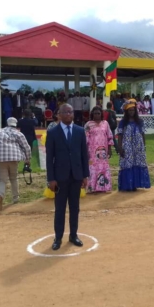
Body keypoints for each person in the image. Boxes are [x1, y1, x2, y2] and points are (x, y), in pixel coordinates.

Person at [46, 103, 90, 250]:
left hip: (76, 176)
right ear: (59, 115)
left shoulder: (79, 131)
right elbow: (49, 158)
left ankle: (73, 235)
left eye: (71, 112)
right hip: (59, 178)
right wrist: (51, 179)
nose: (69, 114)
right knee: (59, 209)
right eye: (65, 112)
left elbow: (84, 155)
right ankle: (58, 238)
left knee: (75, 208)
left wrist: (85, 175)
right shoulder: (52, 133)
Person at [0, 117, 31, 211]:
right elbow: (27, 147)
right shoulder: (18, 133)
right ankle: (15, 199)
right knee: (14, 178)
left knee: (2, 180)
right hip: (14, 159)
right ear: (15, 124)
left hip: (1, 159)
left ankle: (0, 195)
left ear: (7, 123)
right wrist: (28, 159)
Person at [117, 99, 151, 191]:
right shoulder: (122, 122)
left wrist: (143, 146)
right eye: (130, 110)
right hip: (127, 145)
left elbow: (143, 134)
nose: (131, 112)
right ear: (126, 112)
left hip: (138, 146)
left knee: (137, 163)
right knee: (127, 164)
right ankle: (128, 185)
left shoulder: (139, 121)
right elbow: (120, 135)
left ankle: (135, 184)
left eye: (133, 110)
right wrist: (120, 147)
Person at [84, 106, 114, 193]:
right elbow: (85, 138)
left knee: (103, 168)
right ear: (92, 114)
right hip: (92, 151)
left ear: (101, 114)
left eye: (98, 113)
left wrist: (110, 148)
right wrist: (86, 151)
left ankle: (102, 187)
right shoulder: (88, 124)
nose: (96, 115)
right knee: (92, 168)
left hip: (103, 151)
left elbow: (109, 136)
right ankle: (92, 187)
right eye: (95, 113)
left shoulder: (105, 123)